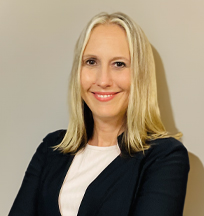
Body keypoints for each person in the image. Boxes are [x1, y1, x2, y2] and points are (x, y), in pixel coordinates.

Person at [9, 12, 189, 216]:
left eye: (119, 64)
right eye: (91, 62)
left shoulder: (164, 157)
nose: (103, 80)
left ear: (140, 74)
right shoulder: (50, 149)